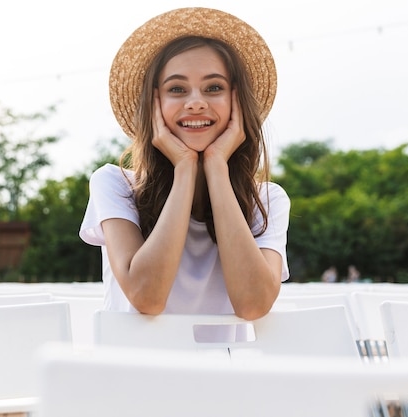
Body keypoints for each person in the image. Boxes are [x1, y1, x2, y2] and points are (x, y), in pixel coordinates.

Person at [79, 8, 290, 331]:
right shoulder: (115, 183)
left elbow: (253, 304)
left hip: (226, 372)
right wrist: (185, 169)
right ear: (154, 105)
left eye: (214, 88)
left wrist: (216, 167)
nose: (195, 102)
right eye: (177, 89)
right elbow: (146, 297)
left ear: (237, 102)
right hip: (135, 373)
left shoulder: (268, 199)